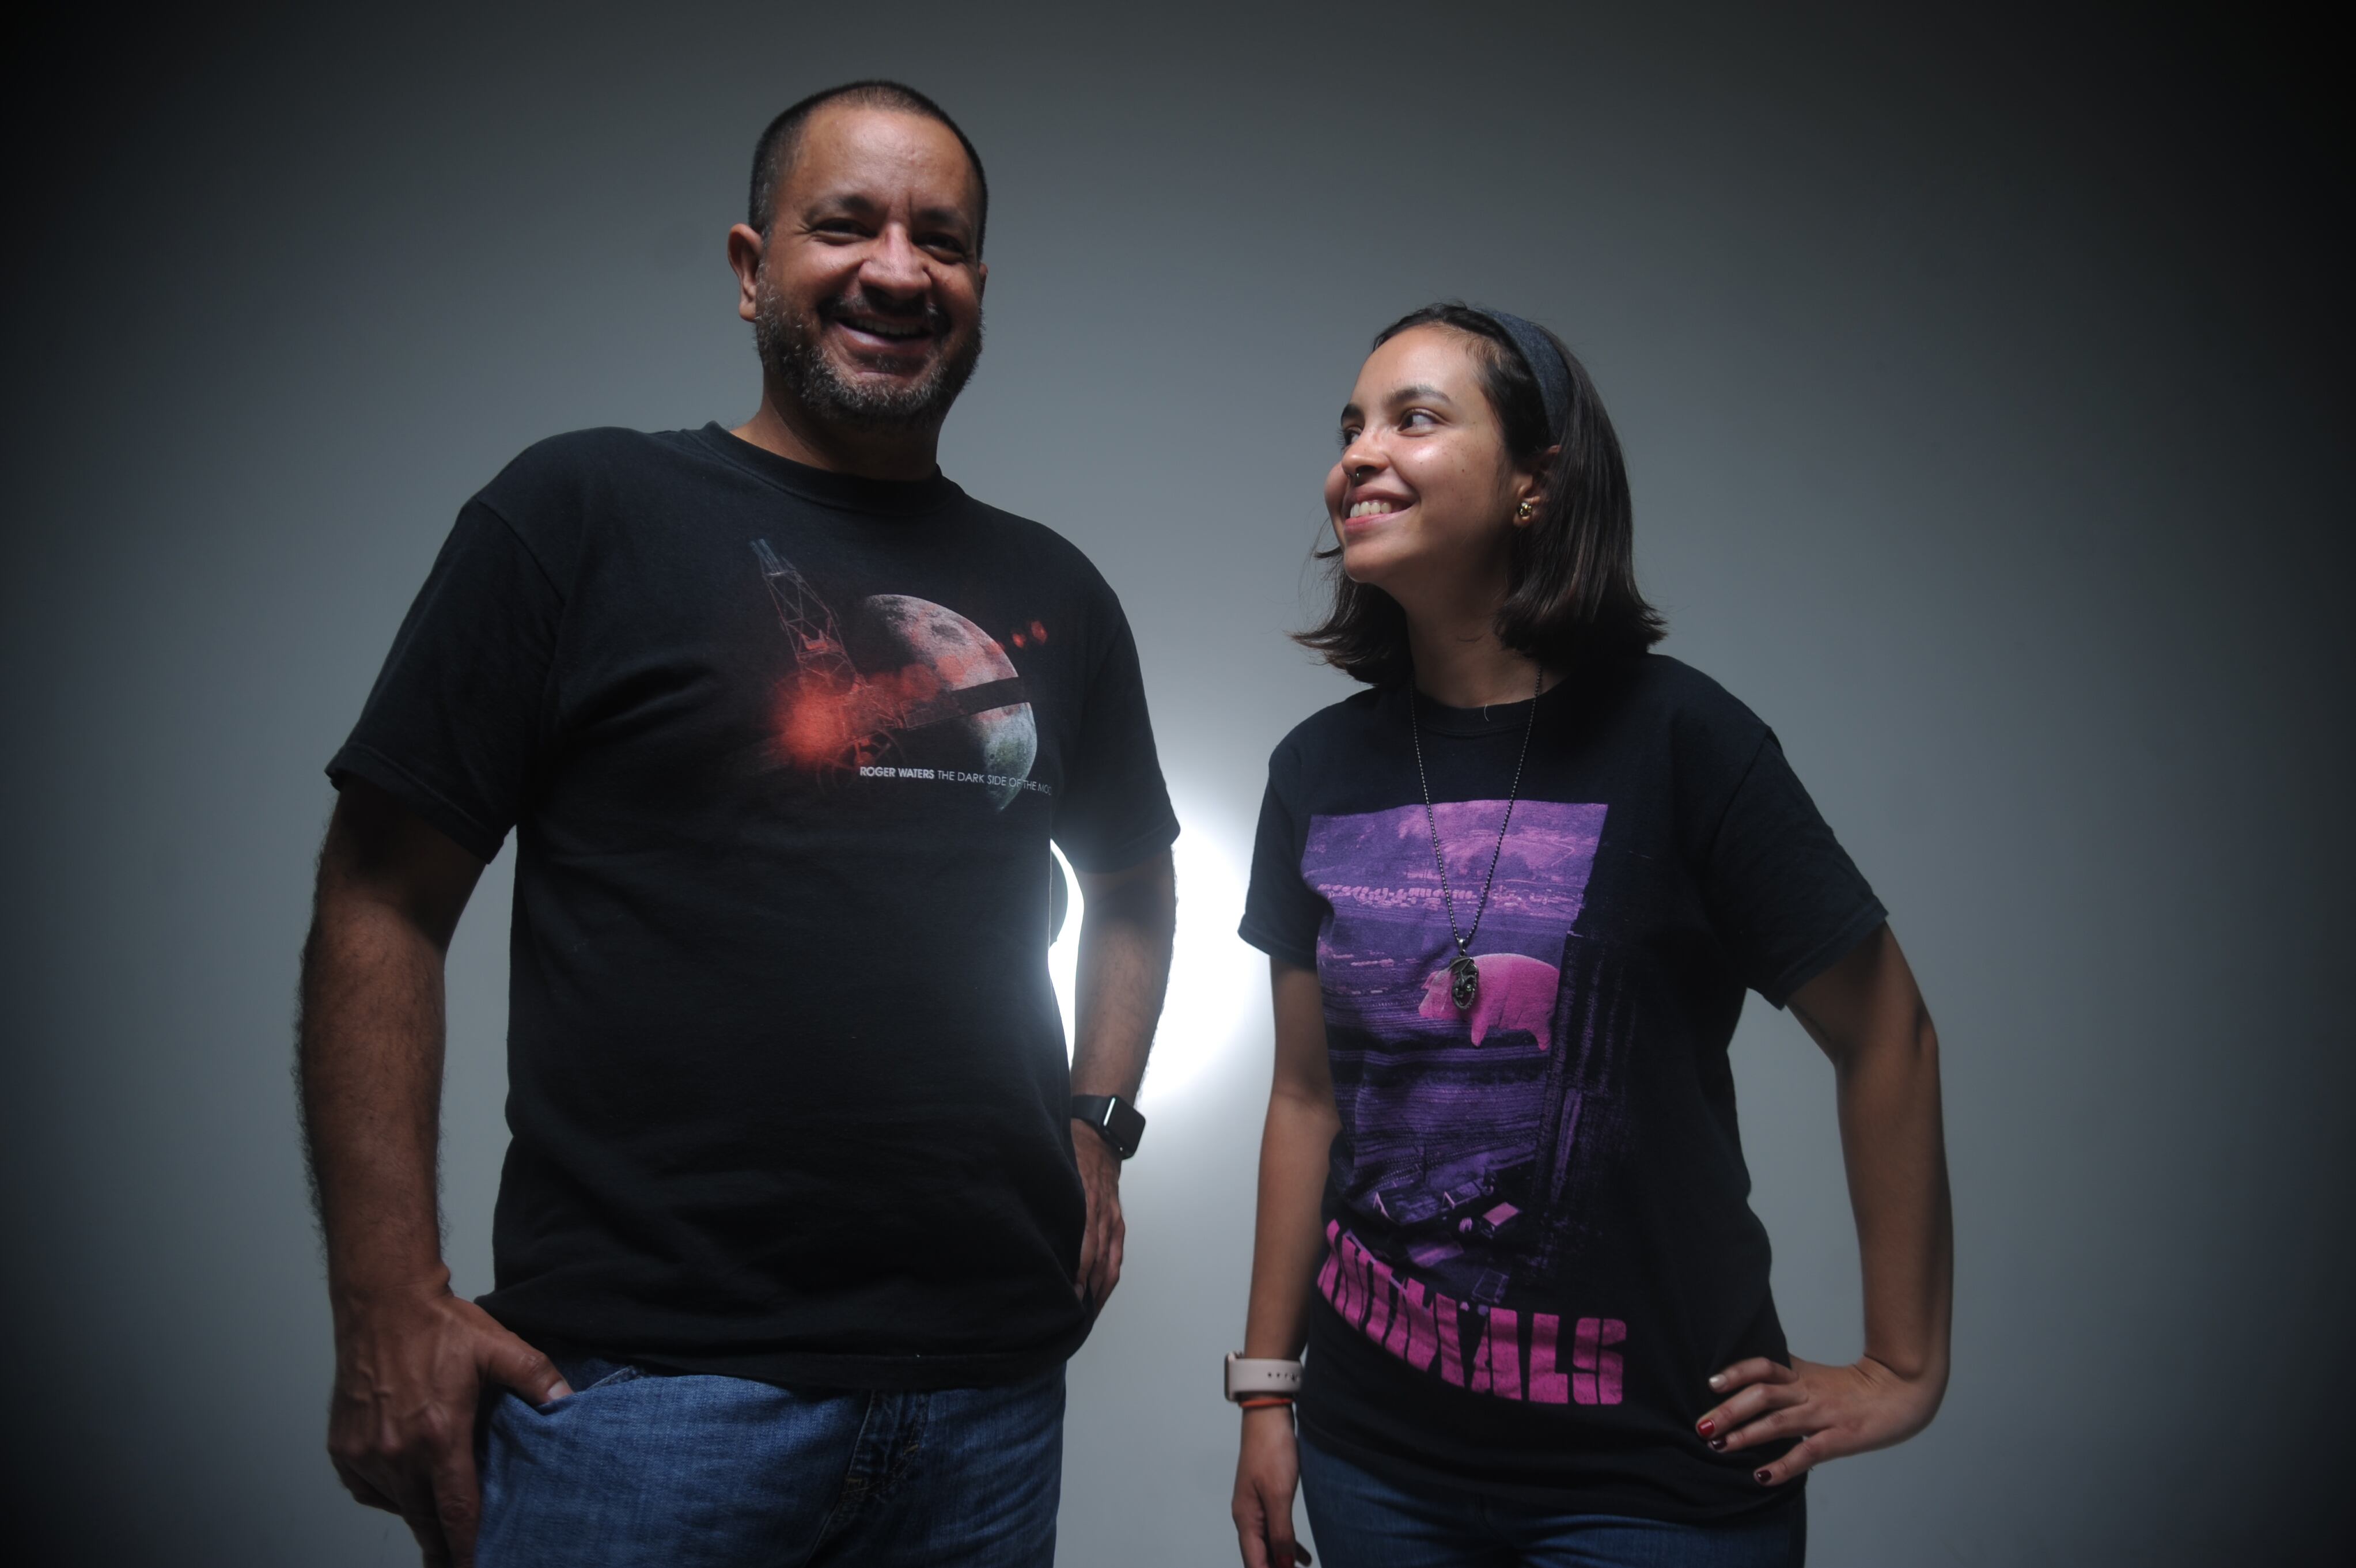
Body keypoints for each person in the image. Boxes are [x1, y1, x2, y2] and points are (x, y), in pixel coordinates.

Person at [298, 79, 1179, 1568]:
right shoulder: (579, 510)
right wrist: (385, 1295)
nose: (898, 269)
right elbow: (380, 899)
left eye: (940, 239)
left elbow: (1135, 883)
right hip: (640, 1398)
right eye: (846, 225)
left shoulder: (1059, 589)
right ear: (750, 266)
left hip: (985, 1399)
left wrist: (1098, 1124)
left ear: (977, 284)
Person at [1226, 304, 1950, 1567]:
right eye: (1349, 427)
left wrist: (1902, 1366)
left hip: (1651, 1478)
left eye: (1413, 418)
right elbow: (1304, 1097)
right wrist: (1266, 1390)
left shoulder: (1686, 742)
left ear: (1536, 484)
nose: (1357, 455)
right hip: (1374, 1466)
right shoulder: (1313, 771)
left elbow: (1884, 1030)